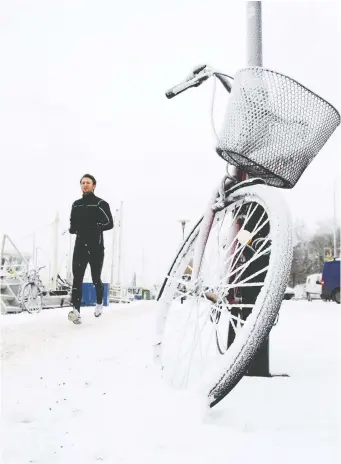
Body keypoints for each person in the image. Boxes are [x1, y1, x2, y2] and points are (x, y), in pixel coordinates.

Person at [68, 174, 113, 324]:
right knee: (77, 279)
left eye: (88, 183)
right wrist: (73, 228)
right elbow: (72, 224)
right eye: (82, 183)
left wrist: (95, 227)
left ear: (94, 186)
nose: (85, 185)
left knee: (95, 278)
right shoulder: (76, 204)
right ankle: (76, 311)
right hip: (80, 245)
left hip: (96, 247)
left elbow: (109, 223)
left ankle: (99, 303)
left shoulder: (101, 204)